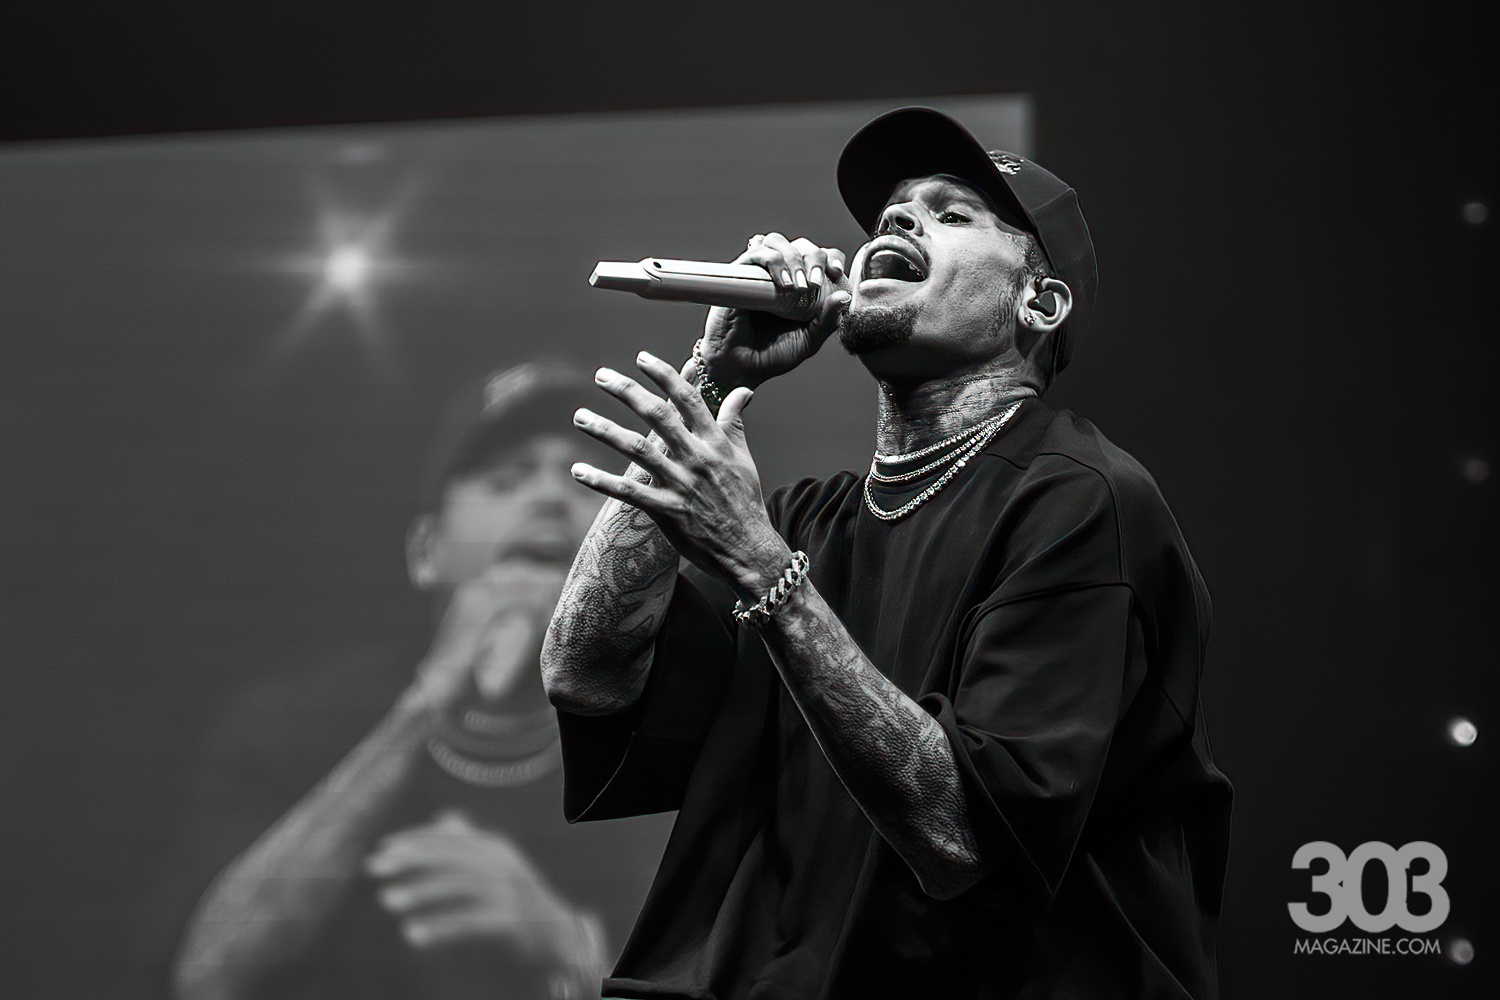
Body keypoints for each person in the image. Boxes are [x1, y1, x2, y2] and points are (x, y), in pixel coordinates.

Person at [540, 108, 1233, 999]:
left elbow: (961, 835)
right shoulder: (805, 520)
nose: (899, 218)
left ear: (1039, 303)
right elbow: (585, 674)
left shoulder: (1080, 499)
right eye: (893, 211)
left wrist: (761, 567)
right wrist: (716, 374)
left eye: (952, 212)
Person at [165, 361, 673, 1000]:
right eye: (506, 480)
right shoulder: (296, 724)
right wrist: (429, 699)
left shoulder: (671, 751)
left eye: (583, 481)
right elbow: (205, 976)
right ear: (425, 550)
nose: (549, 496)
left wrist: (564, 940)